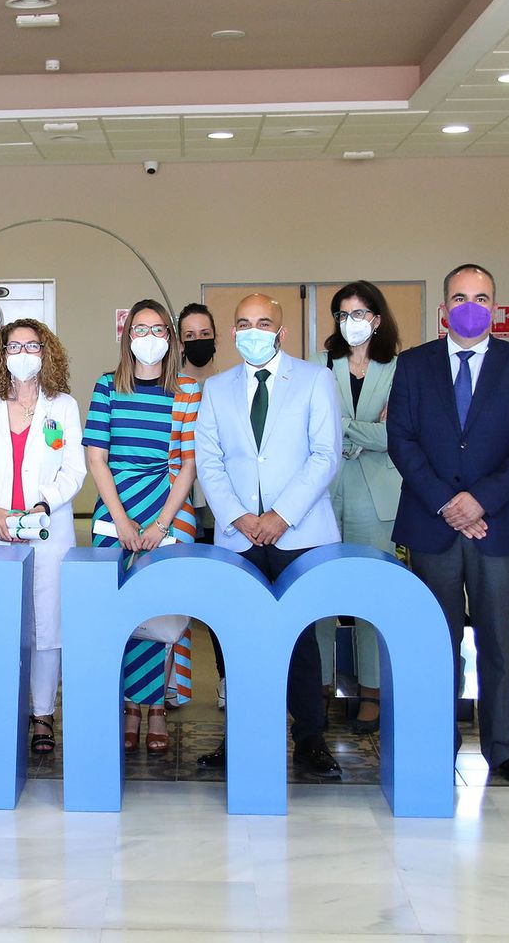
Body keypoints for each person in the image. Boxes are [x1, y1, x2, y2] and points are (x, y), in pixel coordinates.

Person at [387, 263, 509, 786]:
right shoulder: (413, 365)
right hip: (433, 526)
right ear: (444, 308)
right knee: (439, 640)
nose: (470, 306)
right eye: (460, 297)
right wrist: (447, 503)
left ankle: (504, 750)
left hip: (499, 526)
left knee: (497, 641)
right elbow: (402, 442)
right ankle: (439, 740)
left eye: (480, 297)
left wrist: (479, 501)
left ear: (495, 307)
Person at [192, 293, 343, 777]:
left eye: (262, 323)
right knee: (235, 639)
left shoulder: (316, 380)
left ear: (281, 331)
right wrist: (238, 517)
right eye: (242, 323)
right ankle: (241, 735)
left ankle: (310, 739)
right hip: (238, 537)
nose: (251, 331)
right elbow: (209, 462)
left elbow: (325, 455)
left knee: (300, 638)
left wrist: (280, 516)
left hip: (300, 533)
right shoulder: (217, 389)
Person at [0, 318, 86, 755]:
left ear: (46, 352)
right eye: (13, 346)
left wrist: (43, 503)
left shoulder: (64, 407)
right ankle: (3, 710)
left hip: (47, 529)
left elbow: (75, 468)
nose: (23, 354)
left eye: (31, 346)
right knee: (0, 623)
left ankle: (42, 715)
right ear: (1, 355)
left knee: (47, 624)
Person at [84, 299, 200, 755]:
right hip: (115, 509)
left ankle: (156, 708)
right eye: (140, 329)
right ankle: (130, 704)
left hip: (168, 507)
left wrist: (160, 523)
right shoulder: (107, 387)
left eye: (157, 330)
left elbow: (189, 466)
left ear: (170, 338)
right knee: (120, 613)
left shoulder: (187, 390)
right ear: (126, 335)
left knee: (163, 610)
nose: (148, 339)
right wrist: (121, 520)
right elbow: (96, 457)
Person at [313, 281, 403, 736]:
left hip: (377, 496)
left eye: (360, 313)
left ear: (377, 319)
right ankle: (321, 687)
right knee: (322, 596)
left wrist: (343, 428)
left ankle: (372, 691)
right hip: (324, 495)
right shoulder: (318, 367)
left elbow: (396, 436)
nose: (351, 322)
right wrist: (362, 429)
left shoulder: (399, 370)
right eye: (343, 314)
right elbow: (312, 432)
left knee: (371, 596)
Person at [179, 301, 226, 708]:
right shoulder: (169, 386)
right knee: (180, 596)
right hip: (177, 506)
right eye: (189, 335)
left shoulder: (228, 382)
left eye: (204, 334)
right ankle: (170, 686)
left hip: (219, 508)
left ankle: (227, 678)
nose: (197, 341)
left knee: (220, 598)